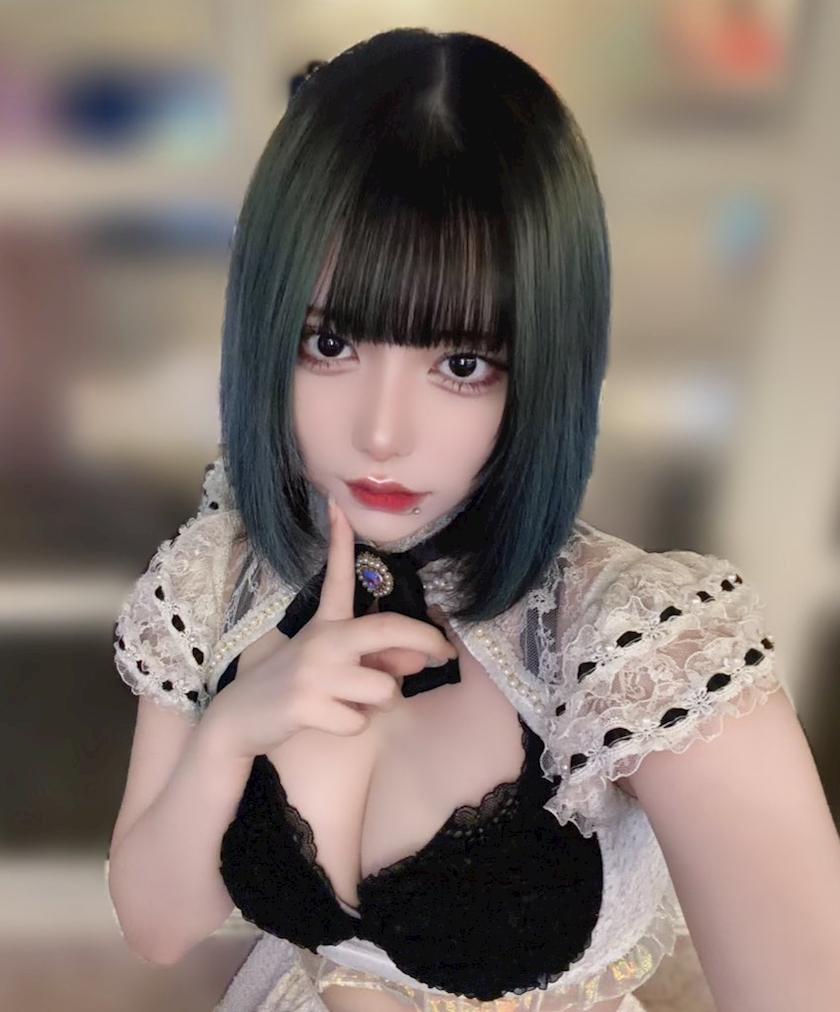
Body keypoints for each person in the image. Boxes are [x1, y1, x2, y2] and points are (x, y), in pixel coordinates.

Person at [106, 28, 840, 1012]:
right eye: (329, 343)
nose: (380, 433)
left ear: (547, 363)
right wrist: (229, 733)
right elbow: (156, 926)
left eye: (460, 363)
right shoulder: (222, 575)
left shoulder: (638, 643)